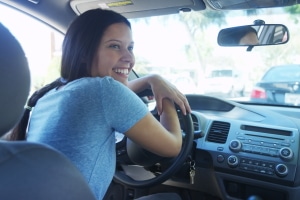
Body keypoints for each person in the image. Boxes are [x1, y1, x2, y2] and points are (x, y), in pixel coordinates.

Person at [9, 8, 191, 200]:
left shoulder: (49, 95)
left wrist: (152, 80)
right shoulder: (105, 91)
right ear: (84, 53)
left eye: (130, 47)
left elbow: (116, 94)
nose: (129, 58)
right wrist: (168, 98)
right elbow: (172, 146)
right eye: (114, 46)